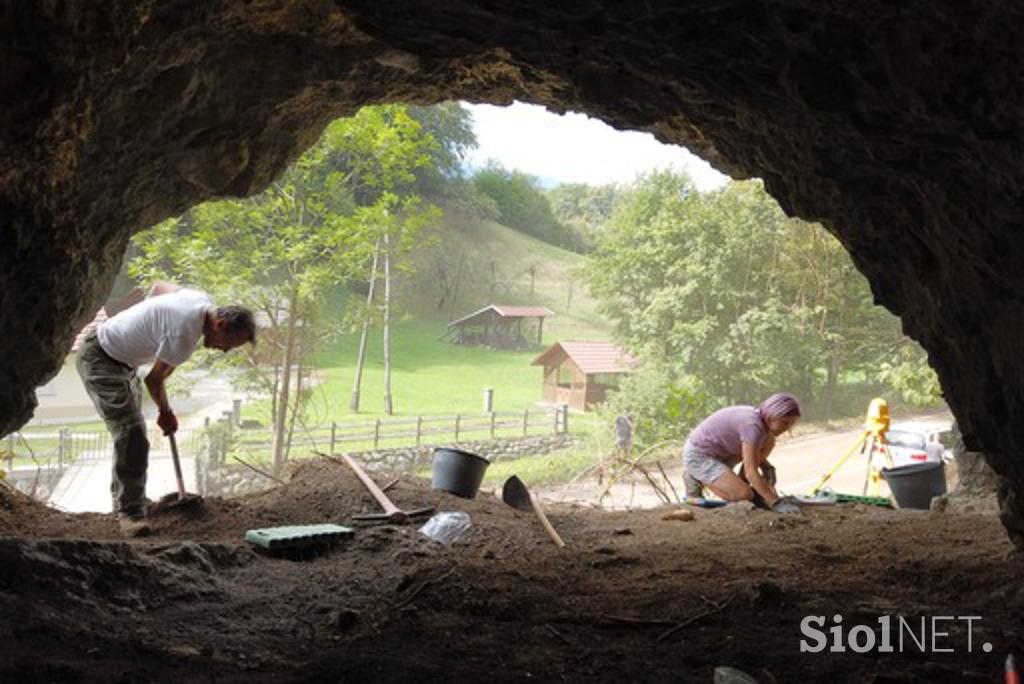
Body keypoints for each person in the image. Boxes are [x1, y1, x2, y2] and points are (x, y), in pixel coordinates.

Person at [76, 282, 255, 536]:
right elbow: (154, 380)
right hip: (100, 359)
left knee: (131, 434)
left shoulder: (200, 298)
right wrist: (166, 412)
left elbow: (160, 287)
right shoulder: (183, 336)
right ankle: (129, 512)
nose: (224, 350)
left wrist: (145, 319)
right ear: (220, 325)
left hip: (123, 361)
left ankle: (131, 500)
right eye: (229, 344)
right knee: (132, 431)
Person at [681, 392, 802, 513]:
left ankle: (740, 483)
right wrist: (775, 502)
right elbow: (751, 472)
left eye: (791, 424)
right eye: (785, 422)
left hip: (721, 453)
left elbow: (751, 453)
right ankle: (694, 476)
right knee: (744, 495)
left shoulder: (759, 423)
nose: (787, 429)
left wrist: (765, 465)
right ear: (772, 415)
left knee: (769, 441)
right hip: (699, 455)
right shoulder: (752, 426)